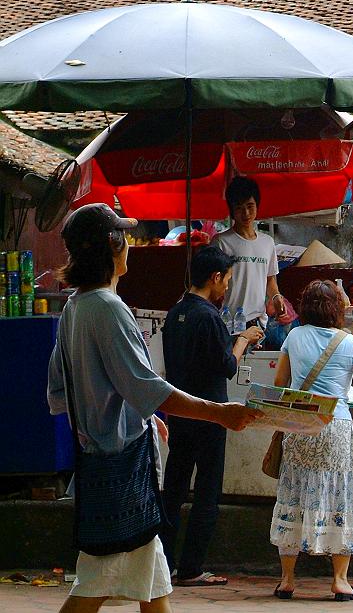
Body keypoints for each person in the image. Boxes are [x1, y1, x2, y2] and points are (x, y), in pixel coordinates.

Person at [46, 203, 261, 613]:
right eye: (123, 237)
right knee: (94, 587)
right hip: (122, 470)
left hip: (108, 462)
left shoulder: (75, 307)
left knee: (153, 583)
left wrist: (141, 418)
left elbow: (61, 393)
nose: (129, 243)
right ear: (113, 246)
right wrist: (220, 412)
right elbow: (147, 388)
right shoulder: (108, 309)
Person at [270, 280, 353, 601]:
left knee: (295, 491)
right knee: (341, 495)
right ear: (339, 310)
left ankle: (287, 580)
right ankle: (339, 581)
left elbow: (281, 383)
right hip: (336, 429)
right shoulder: (351, 344)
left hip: (299, 426)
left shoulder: (294, 336)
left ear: (306, 307)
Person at [159, 247, 265, 587]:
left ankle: (163, 563)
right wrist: (244, 340)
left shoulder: (175, 314)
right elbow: (227, 365)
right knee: (206, 490)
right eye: (228, 280)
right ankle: (191, 567)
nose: (227, 288)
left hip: (179, 410)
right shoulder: (209, 317)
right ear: (215, 278)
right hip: (211, 414)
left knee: (174, 488)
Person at [212, 176, 285, 329]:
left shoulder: (267, 242)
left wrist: (276, 297)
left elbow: (270, 279)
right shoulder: (221, 242)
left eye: (250, 206)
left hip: (259, 323)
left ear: (257, 205)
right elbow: (211, 283)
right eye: (239, 208)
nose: (246, 213)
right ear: (232, 210)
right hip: (229, 322)